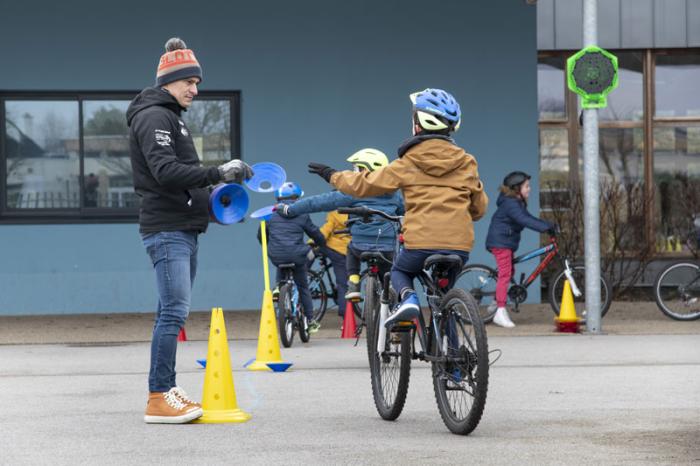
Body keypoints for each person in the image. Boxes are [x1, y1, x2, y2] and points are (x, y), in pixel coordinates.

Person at [127, 37, 253, 424]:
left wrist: (219, 199)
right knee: (174, 313)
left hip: (182, 227)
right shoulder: (155, 117)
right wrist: (218, 171)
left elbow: (182, 181)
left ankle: (165, 388)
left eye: (197, 83)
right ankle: (158, 396)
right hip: (167, 230)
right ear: (169, 81)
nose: (195, 90)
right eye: (189, 82)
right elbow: (165, 173)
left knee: (171, 311)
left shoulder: (171, 117)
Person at [305, 88, 487, 328]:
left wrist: (333, 175)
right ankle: (453, 364)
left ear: (418, 124)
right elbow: (479, 208)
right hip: (458, 246)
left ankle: (408, 298)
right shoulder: (467, 162)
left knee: (399, 273)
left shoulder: (408, 162)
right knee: (444, 302)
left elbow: (366, 183)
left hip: (421, 244)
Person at [276, 149, 404, 306]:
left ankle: (354, 282)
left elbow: (319, 202)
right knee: (388, 272)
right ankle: (393, 300)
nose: (352, 173)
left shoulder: (354, 192)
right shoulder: (395, 194)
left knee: (351, 250)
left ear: (365, 170)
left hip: (360, 246)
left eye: (356, 168)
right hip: (386, 248)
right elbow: (405, 212)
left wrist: (290, 209)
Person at [485, 171, 555, 328]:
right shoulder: (511, 203)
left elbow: (528, 218)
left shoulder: (516, 202)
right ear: (516, 188)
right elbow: (524, 220)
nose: (529, 189)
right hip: (500, 243)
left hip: (506, 242)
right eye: (527, 186)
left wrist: (547, 226)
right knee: (505, 274)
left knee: (510, 272)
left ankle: (494, 305)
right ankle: (500, 312)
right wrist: (546, 227)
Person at [260, 181, 327, 333]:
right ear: (296, 199)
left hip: (276, 254)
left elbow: (261, 236)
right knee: (303, 285)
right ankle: (310, 320)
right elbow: (314, 233)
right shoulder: (302, 214)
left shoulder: (269, 214)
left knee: (281, 260)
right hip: (297, 255)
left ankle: (278, 287)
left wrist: (272, 246)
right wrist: (321, 243)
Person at [310, 210, 350, 316]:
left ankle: (301, 274)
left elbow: (326, 229)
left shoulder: (335, 213)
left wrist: (312, 241)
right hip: (344, 251)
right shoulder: (355, 213)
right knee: (342, 284)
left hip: (329, 247)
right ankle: (344, 312)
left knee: (310, 252)